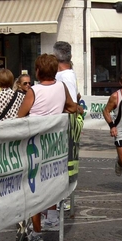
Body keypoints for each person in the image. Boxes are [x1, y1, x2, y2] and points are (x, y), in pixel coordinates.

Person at [17, 53, 80, 241]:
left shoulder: (33, 91)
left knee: (33, 188)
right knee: (49, 184)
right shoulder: (61, 87)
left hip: (34, 145)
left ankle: (36, 232)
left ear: (37, 71)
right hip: (55, 145)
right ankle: (51, 217)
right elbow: (71, 107)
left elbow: (20, 117)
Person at [52, 41, 84, 214]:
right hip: (67, 125)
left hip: (66, 126)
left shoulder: (65, 77)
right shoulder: (67, 74)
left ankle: (64, 200)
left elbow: (70, 104)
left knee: (66, 164)